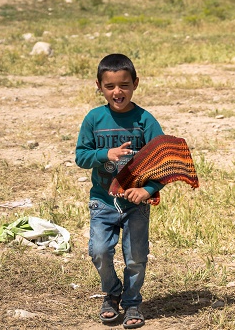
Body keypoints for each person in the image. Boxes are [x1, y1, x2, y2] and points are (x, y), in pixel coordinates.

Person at [75, 53, 165, 329]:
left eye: (124, 85)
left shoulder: (145, 121)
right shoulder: (94, 119)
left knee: (136, 257)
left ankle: (132, 301)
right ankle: (112, 292)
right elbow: (81, 156)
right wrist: (105, 154)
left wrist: (148, 189)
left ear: (135, 83)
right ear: (99, 86)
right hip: (103, 201)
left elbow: (163, 163)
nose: (117, 92)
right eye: (110, 86)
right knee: (99, 251)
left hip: (136, 204)